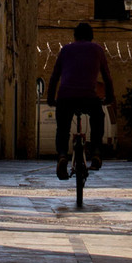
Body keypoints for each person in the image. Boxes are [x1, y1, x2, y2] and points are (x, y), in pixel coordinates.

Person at [46, 22, 115, 180]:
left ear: (75, 36)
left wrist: (51, 98)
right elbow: (107, 77)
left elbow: (54, 76)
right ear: (91, 37)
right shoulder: (97, 50)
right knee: (98, 117)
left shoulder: (65, 50)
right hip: (88, 97)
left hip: (65, 97)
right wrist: (109, 97)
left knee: (62, 128)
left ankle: (63, 155)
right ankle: (97, 151)